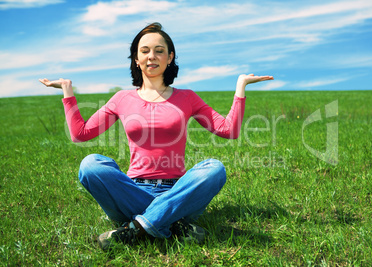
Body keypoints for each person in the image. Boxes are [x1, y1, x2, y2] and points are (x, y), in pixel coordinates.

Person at [39, 22, 273, 250]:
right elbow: (80, 134)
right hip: (130, 193)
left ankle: (135, 228)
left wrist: (240, 86)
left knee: (214, 168)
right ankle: (171, 222)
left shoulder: (187, 97)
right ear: (136, 59)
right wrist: (67, 92)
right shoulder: (121, 99)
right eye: (145, 51)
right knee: (90, 165)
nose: (152, 56)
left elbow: (228, 131)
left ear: (170, 57)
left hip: (176, 191)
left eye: (159, 51)